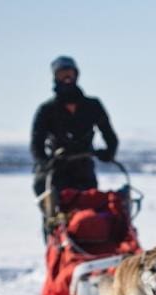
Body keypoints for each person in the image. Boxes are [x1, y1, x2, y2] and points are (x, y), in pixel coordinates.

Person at [31, 56, 119, 199]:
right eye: (61, 74)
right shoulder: (47, 109)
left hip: (84, 172)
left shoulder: (92, 106)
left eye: (69, 73)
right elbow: (36, 144)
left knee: (88, 213)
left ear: (76, 75)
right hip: (56, 173)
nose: (66, 78)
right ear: (55, 77)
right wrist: (45, 162)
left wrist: (109, 153)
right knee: (56, 217)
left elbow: (110, 136)